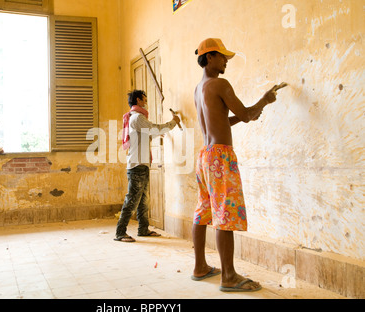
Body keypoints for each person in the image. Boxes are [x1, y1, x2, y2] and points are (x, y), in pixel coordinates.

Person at [192, 38, 282, 292]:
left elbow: (219, 120)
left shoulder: (199, 88)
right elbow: (245, 115)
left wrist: (248, 115)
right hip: (220, 157)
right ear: (209, 57)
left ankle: (200, 267)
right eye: (223, 57)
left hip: (205, 156)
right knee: (225, 214)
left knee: (203, 211)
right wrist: (264, 100)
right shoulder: (220, 83)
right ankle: (228, 277)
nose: (226, 61)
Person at [115, 90, 181, 242]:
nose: (146, 102)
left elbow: (146, 134)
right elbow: (153, 128)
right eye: (144, 99)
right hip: (137, 165)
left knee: (143, 200)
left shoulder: (136, 118)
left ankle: (143, 229)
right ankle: (120, 232)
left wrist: (155, 133)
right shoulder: (138, 117)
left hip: (141, 164)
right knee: (132, 200)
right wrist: (173, 123)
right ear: (138, 100)